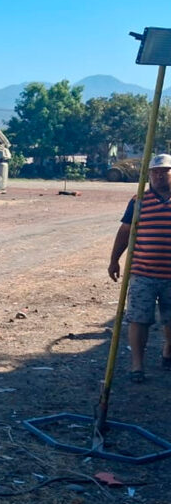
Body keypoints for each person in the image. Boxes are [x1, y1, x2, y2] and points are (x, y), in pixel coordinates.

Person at [108, 153, 171, 383]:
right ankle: (137, 365)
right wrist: (114, 260)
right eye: (155, 172)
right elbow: (125, 232)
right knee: (138, 319)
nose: (159, 176)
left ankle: (168, 350)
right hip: (142, 272)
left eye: (164, 172)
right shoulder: (138, 201)